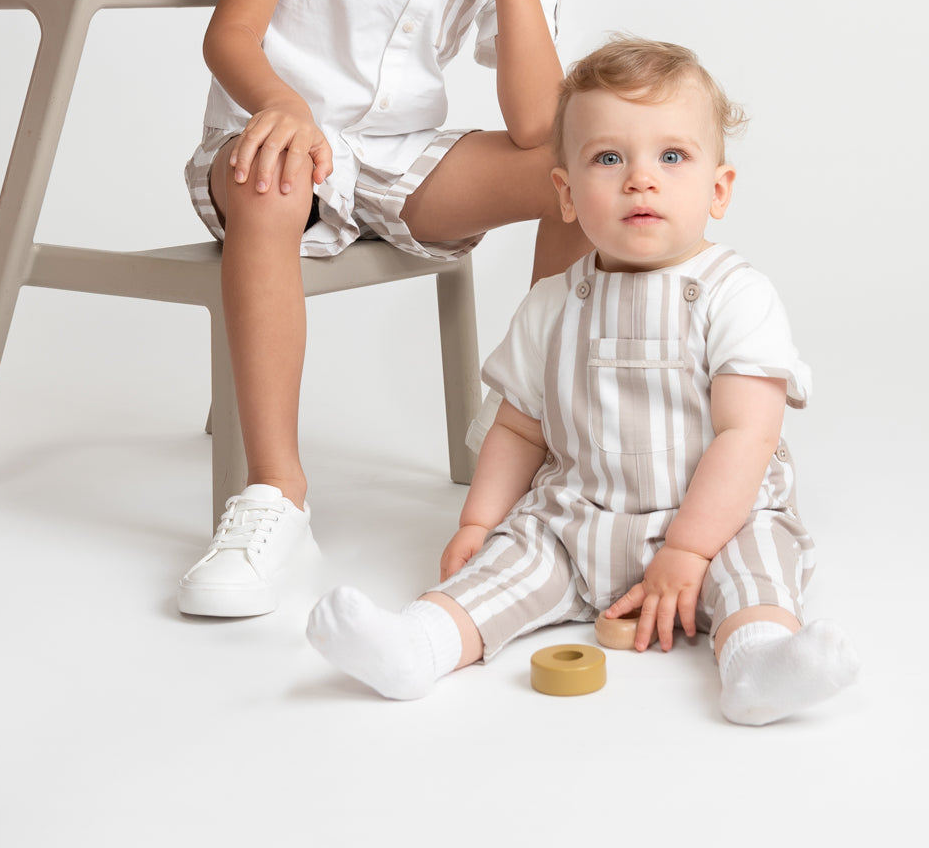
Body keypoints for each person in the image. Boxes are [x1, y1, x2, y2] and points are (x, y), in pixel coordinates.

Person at [177, 0, 589, 617]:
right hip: (277, 142)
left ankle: (543, 449)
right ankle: (273, 496)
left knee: (582, 172)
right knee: (273, 177)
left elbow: (536, 121)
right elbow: (231, 37)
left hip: (404, 158)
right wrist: (280, 107)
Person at [306, 38, 859, 725]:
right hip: (582, 519)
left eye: (672, 156)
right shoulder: (551, 303)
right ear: (565, 194)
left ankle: (758, 660)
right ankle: (420, 643)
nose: (640, 179)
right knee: (514, 560)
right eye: (608, 158)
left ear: (719, 189)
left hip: (717, 518)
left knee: (756, 564)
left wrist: (689, 549)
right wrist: (482, 520)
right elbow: (517, 426)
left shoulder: (735, 295)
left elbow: (747, 434)